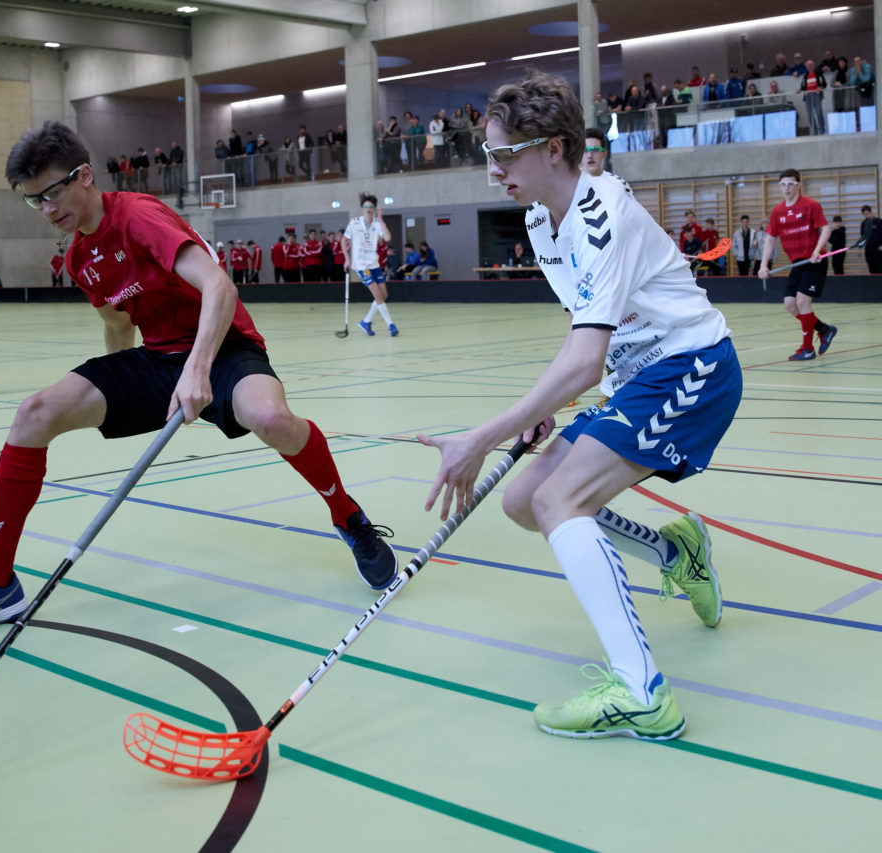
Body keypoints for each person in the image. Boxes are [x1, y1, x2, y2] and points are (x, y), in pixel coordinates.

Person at [0, 121, 399, 644]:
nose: (47, 209)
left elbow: (219, 285)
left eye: (53, 193)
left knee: (271, 418)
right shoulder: (79, 255)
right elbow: (118, 326)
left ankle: (349, 517)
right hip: (157, 358)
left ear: (83, 176)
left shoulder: (140, 215)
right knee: (34, 414)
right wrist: (118, 396)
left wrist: (197, 368)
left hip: (223, 349)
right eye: (34, 201)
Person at [421, 70, 741, 741]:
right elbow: (586, 336)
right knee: (521, 500)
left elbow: (585, 358)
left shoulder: (604, 216)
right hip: (635, 378)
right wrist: (545, 404)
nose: (493, 171)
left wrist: (483, 435)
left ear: (553, 150)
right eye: (490, 155)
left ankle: (642, 689)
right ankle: (676, 554)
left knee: (558, 500)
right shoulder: (543, 222)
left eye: (504, 155)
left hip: (695, 370)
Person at [758, 169, 837, 360]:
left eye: (790, 184)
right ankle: (824, 330)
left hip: (814, 261)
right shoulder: (778, 212)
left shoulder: (811, 205)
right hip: (796, 264)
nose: (786, 188)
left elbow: (825, 229)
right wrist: (763, 265)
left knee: (802, 301)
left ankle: (807, 348)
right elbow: (770, 239)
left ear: (798, 185)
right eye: (783, 184)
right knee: (790, 304)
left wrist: (817, 250)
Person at [340, 192, 396, 336]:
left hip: (374, 264)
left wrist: (382, 221)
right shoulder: (354, 223)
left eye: (371, 207)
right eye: (366, 207)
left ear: (374, 209)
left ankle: (366, 322)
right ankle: (391, 325)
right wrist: (347, 259)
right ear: (362, 208)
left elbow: (388, 237)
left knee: (383, 295)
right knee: (377, 294)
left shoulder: (377, 224)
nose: (368, 209)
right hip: (361, 265)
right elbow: (343, 241)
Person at [800, 59, 827, 136]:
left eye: (811, 65)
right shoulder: (805, 76)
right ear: (807, 67)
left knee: (819, 113)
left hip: (816, 95)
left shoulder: (818, 74)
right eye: (808, 66)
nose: (810, 67)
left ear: (814, 66)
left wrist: (820, 87)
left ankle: (822, 130)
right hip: (808, 96)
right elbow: (803, 86)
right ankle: (815, 130)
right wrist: (800, 90)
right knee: (810, 115)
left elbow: (824, 84)